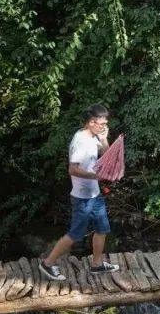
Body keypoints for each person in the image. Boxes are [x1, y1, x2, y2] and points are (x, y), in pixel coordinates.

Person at [39, 105, 119, 281]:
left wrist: (105, 139)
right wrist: (94, 175)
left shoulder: (94, 137)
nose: (104, 126)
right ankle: (48, 263)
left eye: (106, 124)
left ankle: (97, 265)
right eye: (101, 124)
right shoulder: (80, 141)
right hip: (82, 197)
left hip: (94, 194)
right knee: (75, 233)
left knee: (102, 228)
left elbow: (106, 156)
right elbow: (72, 170)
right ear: (91, 122)